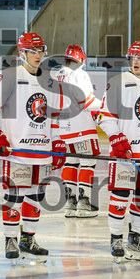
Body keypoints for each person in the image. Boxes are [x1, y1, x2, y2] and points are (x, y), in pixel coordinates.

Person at [0, 33, 67, 262]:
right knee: (14, 196)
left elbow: (55, 116)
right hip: (17, 151)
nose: (38, 55)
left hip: (43, 150)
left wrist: (57, 140)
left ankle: (28, 239)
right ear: (22, 53)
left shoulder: (52, 81)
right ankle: (10, 239)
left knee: (36, 196)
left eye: (40, 50)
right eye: (33, 51)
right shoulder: (8, 76)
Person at [97, 41, 140, 261]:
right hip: (125, 154)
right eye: (133, 57)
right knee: (120, 197)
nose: (136, 61)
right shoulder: (118, 82)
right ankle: (116, 238)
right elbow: (104, 116)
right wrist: (116, 138)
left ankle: (135, 238)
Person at [52, 44, 100, 219]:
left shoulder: (57, 74)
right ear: (81, 59)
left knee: (71, 163)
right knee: (88, 163)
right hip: (82, 127)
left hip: (64, 127)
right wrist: (105, 106)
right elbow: (86, 101)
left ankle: (70, 202)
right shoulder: (80, 74)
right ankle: (84, 203)